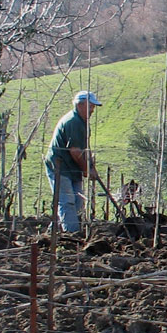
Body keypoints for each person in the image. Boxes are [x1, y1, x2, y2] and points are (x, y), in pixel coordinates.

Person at [44, 90, 102, 232]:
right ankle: (72, 234)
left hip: (72, 167)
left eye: (93, 107)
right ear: (80, 105)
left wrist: (91, 166)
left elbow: (84, 149)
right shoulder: (73, 122)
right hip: (60, 166)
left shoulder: (82, 122)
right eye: (90, 106)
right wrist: (87, 170)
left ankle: (54, 232)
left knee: (78, 201)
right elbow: (75, 151)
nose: (92, 110)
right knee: (67, 201)